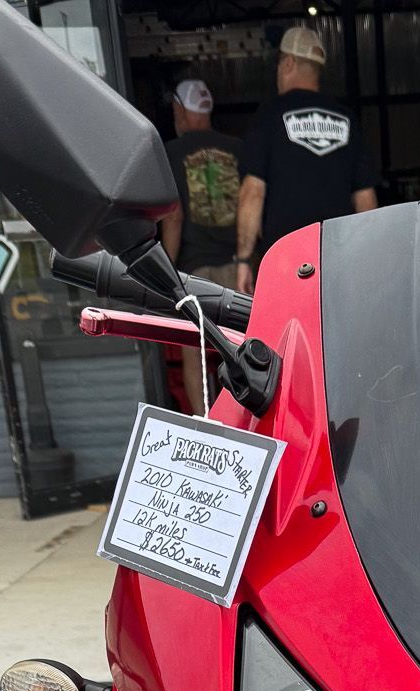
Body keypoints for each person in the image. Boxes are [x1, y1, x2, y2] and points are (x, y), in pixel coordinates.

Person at [235, 26, 376, 294]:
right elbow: (365, 199)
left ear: (288, 63)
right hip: (339, 257)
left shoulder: (270, 114)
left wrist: (243, 259)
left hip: (286, 259)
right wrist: (367, 259)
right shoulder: (346, 118)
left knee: (290, 333)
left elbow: (253, 191)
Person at [159, 78, 242, 411]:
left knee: (193, 354)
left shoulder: (172, 152)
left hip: (194, 270)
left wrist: (166, 269)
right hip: (237, 268)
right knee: (242, 347)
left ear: (180, 110)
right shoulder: (238, 148)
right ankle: (249, 417)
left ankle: (203, 422)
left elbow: (174, 217)